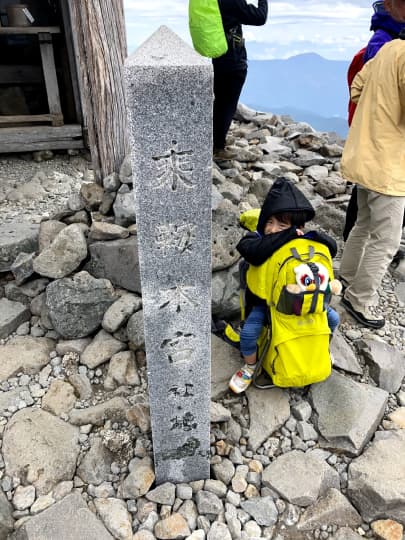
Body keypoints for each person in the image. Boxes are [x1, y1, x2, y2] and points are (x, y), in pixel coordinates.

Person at [229, 179, 340, 394]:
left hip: (304, 298)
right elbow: (248, 249)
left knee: (333, 319)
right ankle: (250, 365)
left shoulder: (301, 241)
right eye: (269, 222)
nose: (273, 229)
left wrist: (307, 236)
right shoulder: (257, 239)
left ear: (298, 227)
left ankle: (321, 349)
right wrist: (286, 234)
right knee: (249, 333)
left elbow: (332, 248)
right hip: (266, 304)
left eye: (282, 225)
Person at [339, 36, 405, 329]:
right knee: (387, 239)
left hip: (365, 156)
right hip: (390, 166)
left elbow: (356, 89)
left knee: (363, 224)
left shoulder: (389, 48)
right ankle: (360, 298)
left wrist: (378, 113)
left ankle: (347, 275)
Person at [343, 0, 405, 241]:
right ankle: (368, 259)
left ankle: (352, 258)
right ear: (389, 6)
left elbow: (359, 90)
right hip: (384, 137)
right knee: (372, 202)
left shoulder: (384, 39)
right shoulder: (386, 43)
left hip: (373, 134)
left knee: (365, 196)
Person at [212, 0, 268, 159]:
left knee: (220, 101)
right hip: (233, 61)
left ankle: (215, 140)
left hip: (217, 57)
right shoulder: (233, 2)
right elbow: (260, 17)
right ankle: (218, 147)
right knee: (227, 104)